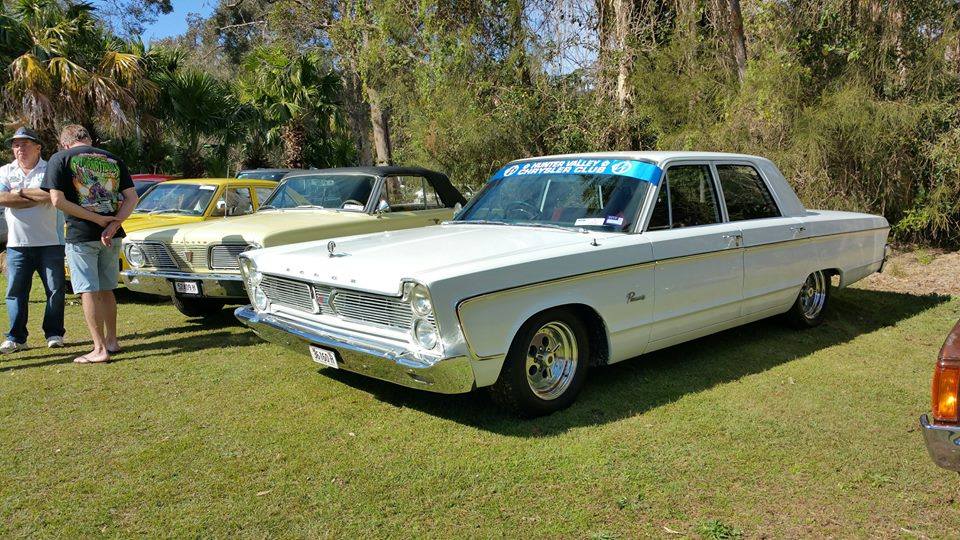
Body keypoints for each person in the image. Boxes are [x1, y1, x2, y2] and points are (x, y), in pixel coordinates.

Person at [41, 125, 137, 364]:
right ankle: (112, 341)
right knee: (107, 289)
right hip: (111, 235)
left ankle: (99, 349)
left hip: (82, 235)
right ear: (89, 140)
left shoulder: (60, 158)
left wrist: (96, 219)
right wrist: (113, 224)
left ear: (65, 143)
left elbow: (57, 200)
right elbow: (132, 198)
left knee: (88, 290)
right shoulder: (113, 159)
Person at [0, 127, 67, 353]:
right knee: (15, 293)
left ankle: (54, 333)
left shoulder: (50, 169)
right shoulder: (5, 171)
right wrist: (34, 194)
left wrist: (18, 193)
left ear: (38, 147)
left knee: (55, 291)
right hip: (17, 244)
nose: (20, 148)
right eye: (16, 145)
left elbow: (52, 195)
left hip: (51, 242)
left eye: (25, 144)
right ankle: (16, 338)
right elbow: (1, 198)